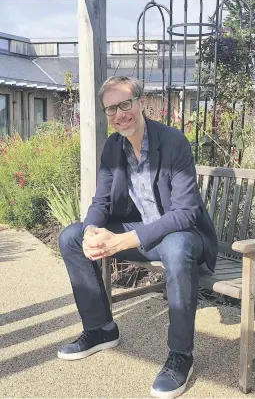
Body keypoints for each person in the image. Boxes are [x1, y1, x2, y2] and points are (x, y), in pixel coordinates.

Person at [57, 75, 218, 399]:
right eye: (111, 108)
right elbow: (101, 203)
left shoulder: (173, 143)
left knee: (175, 246)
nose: (120, 114)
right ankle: (101, 329)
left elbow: (185, 213)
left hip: (185, 237)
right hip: (143, 235)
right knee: (71, 236)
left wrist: (123, 242)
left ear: (142, 103)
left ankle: (180, 356)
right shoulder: (112, 148)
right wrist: (91, 232)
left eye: (125, 104)